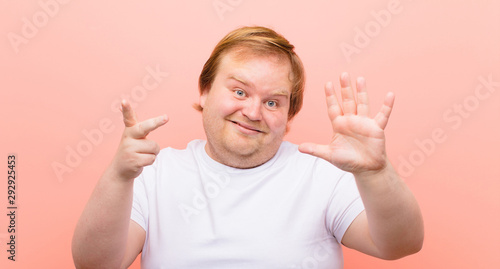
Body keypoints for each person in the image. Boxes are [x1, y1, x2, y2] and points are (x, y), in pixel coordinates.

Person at [72, 26, 424, 269]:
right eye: (239, 91)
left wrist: (377, 173)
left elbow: (400, 244)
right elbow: (96, 264)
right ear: (205, 90)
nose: (253, 112)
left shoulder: (324, 175)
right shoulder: (155, 173)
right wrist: (119, 177)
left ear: (289, 116)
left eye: (273, 102)